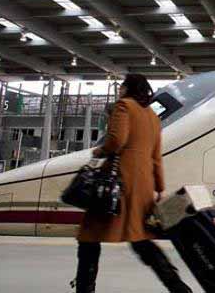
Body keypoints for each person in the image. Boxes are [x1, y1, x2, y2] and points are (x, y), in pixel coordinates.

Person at [74, 74, 191, 293]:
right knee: (140, 239)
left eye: (121, 86)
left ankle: (84, 289)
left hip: (118, 184)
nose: (119, 90)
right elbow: (156, 156)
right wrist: (159, 187)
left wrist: (100, 151)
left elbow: (116, 140)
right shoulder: (152, 116)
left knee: (88, 236)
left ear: (128, 88)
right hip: (142, 185)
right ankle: (178, 288)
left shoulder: (123, 106)